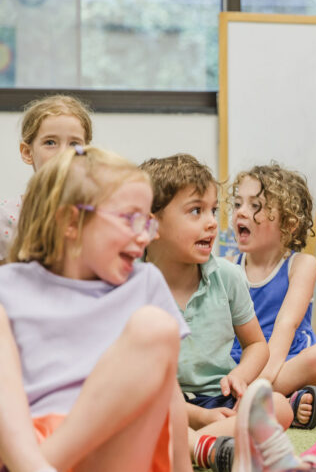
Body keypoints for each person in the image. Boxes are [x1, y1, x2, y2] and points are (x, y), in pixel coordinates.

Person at [0, 145, 190, 472]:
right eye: (131, 219)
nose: (144, 237)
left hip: (122, 451)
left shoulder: (144, 282)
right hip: (29, 446)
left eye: (147, 223)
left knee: (155, 328)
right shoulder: (9, 285)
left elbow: (169, 395)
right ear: (71, 221)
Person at [140, 154, 299, 470]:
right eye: (196, 211)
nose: (212, 222)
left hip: (219, 399)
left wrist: (240, 375)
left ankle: (190, 446)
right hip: (165, 406)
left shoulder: (228, 277)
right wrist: (197, 416)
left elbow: (256, 345)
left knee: (280, 406)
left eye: (213, 210)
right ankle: (206, 444)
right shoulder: (131, 287)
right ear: (150, 223)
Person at [230, 164, 316, 429]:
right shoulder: (229, 266)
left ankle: (260, 399)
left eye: (256, 206)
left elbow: (285, 326)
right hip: (242, 363)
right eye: (237, 203)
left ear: (289, 223)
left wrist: (260, 382)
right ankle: (282, 403)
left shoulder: (301, 265)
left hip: (288, 361)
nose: (241, 212)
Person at [0, 94, 92, 264]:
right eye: (50, 142)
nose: (63, 153)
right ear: (27, 153)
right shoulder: (5, 216)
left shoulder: (95, 214)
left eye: (74, 144)